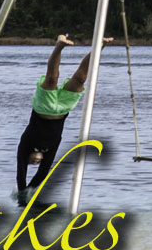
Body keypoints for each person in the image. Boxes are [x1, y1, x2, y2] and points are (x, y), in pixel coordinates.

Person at [14, 34, 111, 205]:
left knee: (52, 78)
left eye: (32, 161)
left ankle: (59, 45)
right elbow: (43, 173)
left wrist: (23, 191)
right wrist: (32, 192)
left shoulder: (25, 144)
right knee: (80, 78)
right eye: (37, 162)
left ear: (27, 157)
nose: (36, 162)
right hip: (63, 108)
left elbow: (21, 173)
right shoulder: (50, 150)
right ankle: (99, 46)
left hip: (43, 106)